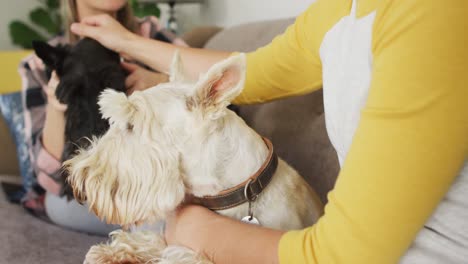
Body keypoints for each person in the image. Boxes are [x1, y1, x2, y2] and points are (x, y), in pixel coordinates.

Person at [70, 0, 467, 262]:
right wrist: (126, 41)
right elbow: (253, 70)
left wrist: (199, 231)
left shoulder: (433, 13)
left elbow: (343, 256)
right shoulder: (343, 9)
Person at [19, 0, 187, 235]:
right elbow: (52, 181)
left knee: (173, 214)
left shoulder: (151, 35)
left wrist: (163, 82)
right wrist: (57, 106)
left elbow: (220, 97)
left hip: (155, 183)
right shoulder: (38, 64)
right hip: (83, 196)